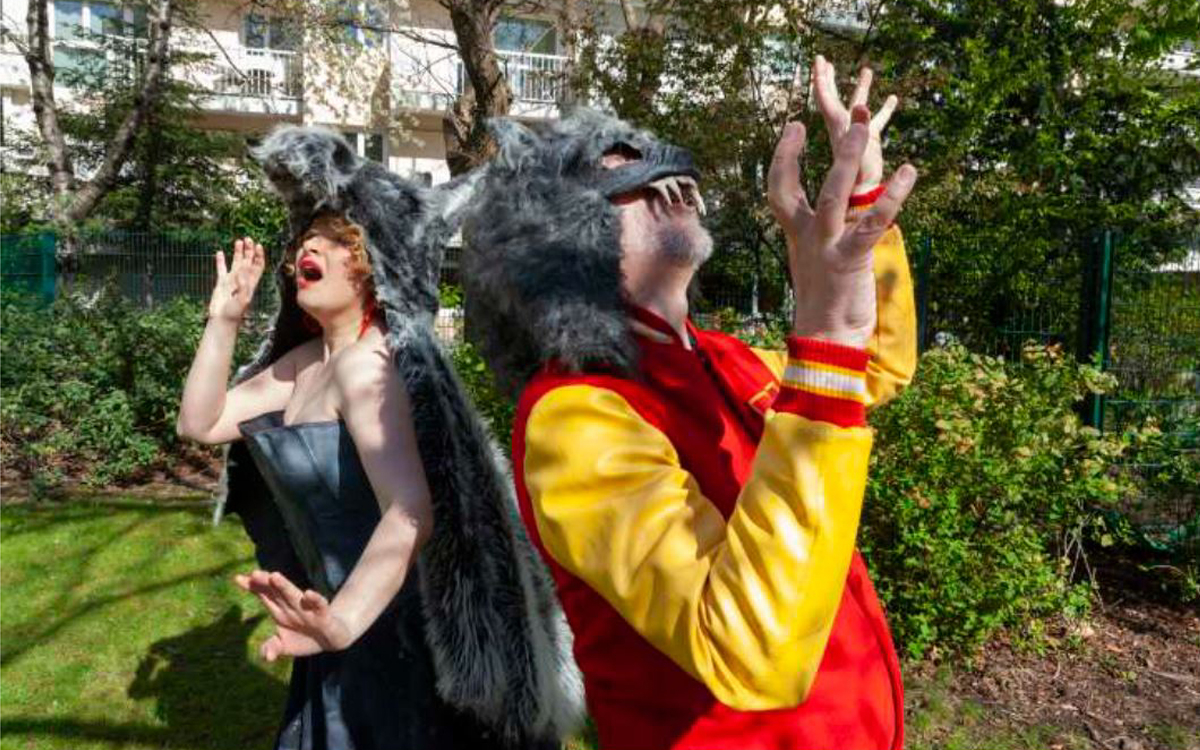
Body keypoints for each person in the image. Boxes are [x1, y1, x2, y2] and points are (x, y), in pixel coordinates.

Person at [462, 56, 916, 750]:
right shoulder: (575, 416)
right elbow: (747, 650)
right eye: (617, 168)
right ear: (555, 235)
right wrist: (822, 338)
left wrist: (859, 205)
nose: (652, 169)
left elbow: (873, 366)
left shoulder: (719, 354)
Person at [177, 127, 581, 750]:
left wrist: (343, 622)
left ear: (373, 262)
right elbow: (200, 423)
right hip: (331, 618)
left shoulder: (370, 365)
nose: (309, 243)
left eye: (335, 238)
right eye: (307, 236)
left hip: (386, 631)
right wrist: (223, 321)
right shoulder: (307, 362)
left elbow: (409, 509)